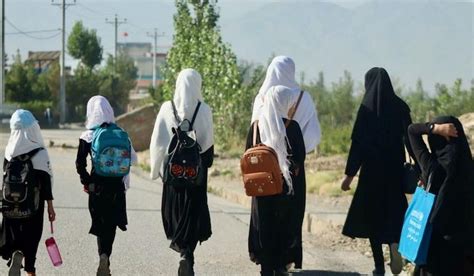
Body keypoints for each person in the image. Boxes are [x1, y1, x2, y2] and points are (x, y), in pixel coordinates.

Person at [340, 67, 414, 275]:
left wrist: (349, 176)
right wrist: (421, 168)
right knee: (393, 212)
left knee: (373, 218)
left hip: (371, 174)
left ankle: (379, 266)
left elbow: (358, 146)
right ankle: (393, 243)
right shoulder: (400, 107)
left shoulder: (366, 109)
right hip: (394, 173)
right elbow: (410, 139)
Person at [251, 56, 321, 269]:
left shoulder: (261, 98)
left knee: (263, 214)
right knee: (290, 213)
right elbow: (313, 135)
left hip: (263, 170)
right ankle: (287, 259)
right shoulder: (303, 98)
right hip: (293, 170)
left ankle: (264, 258)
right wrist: (291, 153)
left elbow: (253, 136)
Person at [149, 69, 214, 276]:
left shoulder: (167, 108)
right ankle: (188, 254)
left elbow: (157, 143)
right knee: (193, 216)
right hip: (195, 176)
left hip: (173, 175)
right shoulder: (204, 110)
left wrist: (156, 169)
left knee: (176, 214)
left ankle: (184, 254)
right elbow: (208, 149)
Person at [247, 85, 310, 275]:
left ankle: (266, 267)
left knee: (264, 224)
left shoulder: (256, 126)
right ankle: (280, 265)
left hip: (261, 187)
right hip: (285, 188)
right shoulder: (293, 127)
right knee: (284, 224)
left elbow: (247, 153)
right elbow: (300, 157)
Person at [75, 96, 136, 276]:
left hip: (97, 186)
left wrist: (87, 181)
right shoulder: (120, 132)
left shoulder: (87, 135)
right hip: (116, 186)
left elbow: (80, 164)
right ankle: (106, 256)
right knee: (110, 225)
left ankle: (102, 255)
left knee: (101, 224)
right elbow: (132, 159)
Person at [408, 117, 474, 275]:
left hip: (436, 244)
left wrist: (433, 128)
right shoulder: (470, 169)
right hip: (465, 248)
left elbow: (411, 131)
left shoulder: (432, 166)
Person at [0, 109, 56, 276]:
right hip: (33, 205)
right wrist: (50, 208)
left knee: (13, 231)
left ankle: (15, 253)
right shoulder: (40, 153)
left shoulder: (9, 151)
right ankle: (30, 269)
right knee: (32, 237)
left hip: (10, 203)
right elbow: (46, 184)